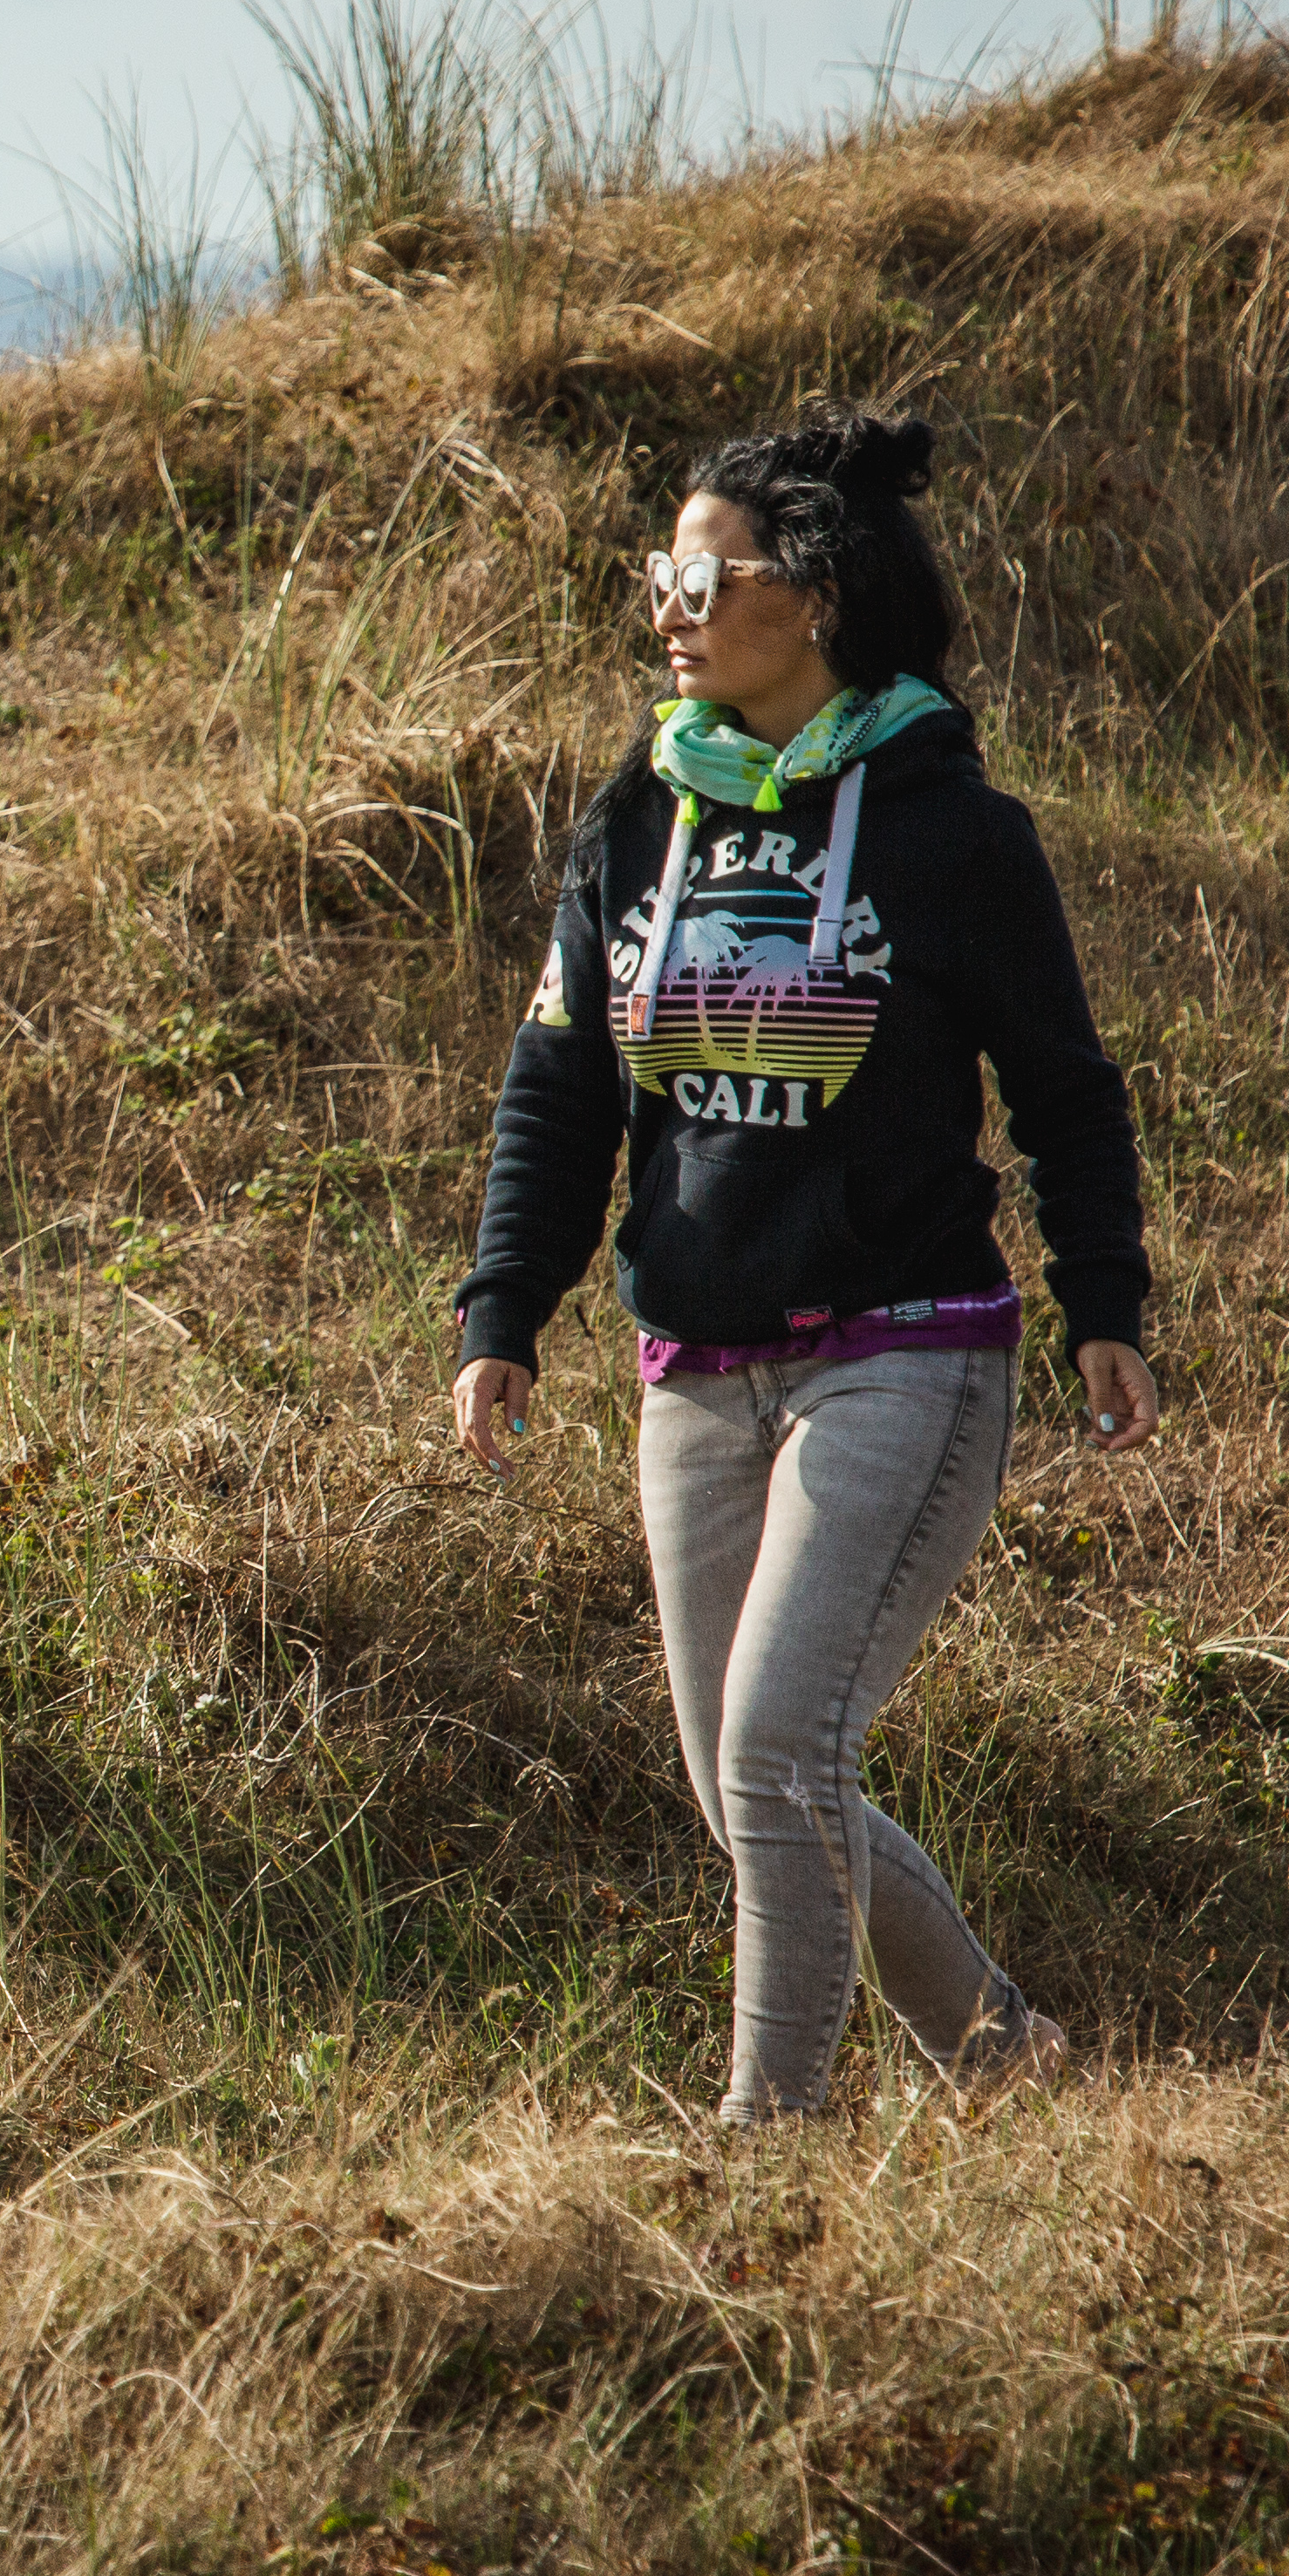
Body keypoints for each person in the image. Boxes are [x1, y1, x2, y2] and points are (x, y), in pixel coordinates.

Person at [447, 401, 1156, 2124]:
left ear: (817, 602)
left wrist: (1103, 1304)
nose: (670, 607)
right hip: (696, 1364)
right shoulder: (635, 820)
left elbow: (1062, 1085)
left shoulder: (951, 834)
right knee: (749, 1784)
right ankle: (1009, 2056)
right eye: (659, 576)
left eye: (707, 576)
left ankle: (768, 2146)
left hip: (903, 1345)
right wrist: (505, 1313)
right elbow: (564, 1082)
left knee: (776, 1757)